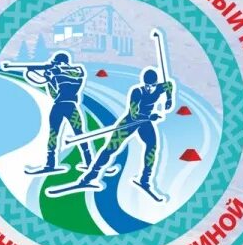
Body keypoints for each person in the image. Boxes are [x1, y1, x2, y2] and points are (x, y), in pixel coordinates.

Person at [67, 67, 175, 202]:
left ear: (155, 84)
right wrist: (150, 116)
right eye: (147, 86)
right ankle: (89, 178)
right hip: (129, 121)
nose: (149, 88)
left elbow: (169, 86)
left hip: (145, 123)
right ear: (144, 83)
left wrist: (168, 100)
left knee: (152, 147)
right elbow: (134, 113)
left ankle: (145, 180)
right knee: (110, 149)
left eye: (152, 86)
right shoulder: (137, 91)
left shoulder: (160, 87)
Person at [9, 51, 96, 175]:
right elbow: (54, 93)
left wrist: (53, 73)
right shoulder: (63, 74)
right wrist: (48, 78)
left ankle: (88, 162)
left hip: (66, 106)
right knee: (57, 135)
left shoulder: (76, 71)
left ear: (61, 63)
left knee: (74, 134)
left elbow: (73, 76)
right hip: (66, 106)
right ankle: (55, 163)